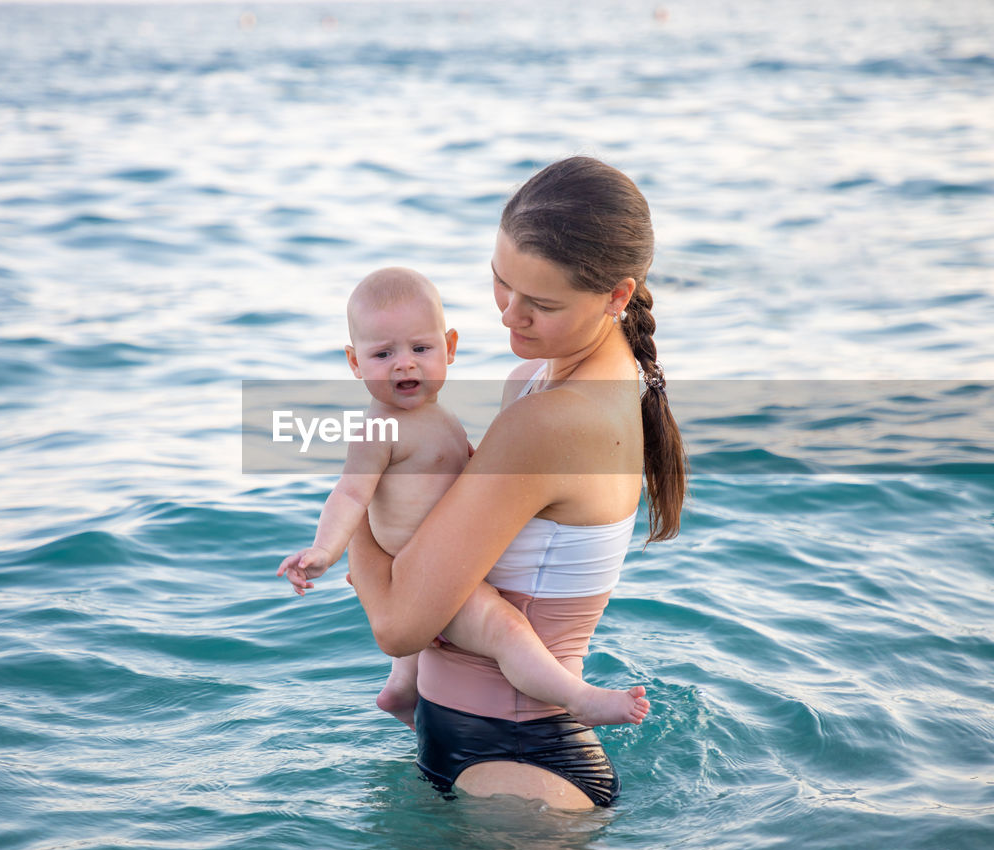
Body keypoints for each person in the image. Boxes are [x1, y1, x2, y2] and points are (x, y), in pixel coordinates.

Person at [346, 157, 687, 809]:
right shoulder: (539, 379)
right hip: (477, 748)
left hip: (525, 764)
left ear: (617, 295)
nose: (509, 316)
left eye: (542, 303)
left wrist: (359, 495)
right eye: (502, 283)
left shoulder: (552, 420)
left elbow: (398, 625)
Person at [277, 267, 651, 731]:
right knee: (506, 632)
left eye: (420, 349)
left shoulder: (441, 416)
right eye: (382, 354)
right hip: (430, 579)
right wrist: (324, 551)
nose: (404, 364)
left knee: (441, 650)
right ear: (355, 364)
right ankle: (578, 700)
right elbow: (350, 493)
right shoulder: (376, 428)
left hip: (428, 567)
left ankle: (400, 690)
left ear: (450, 349)